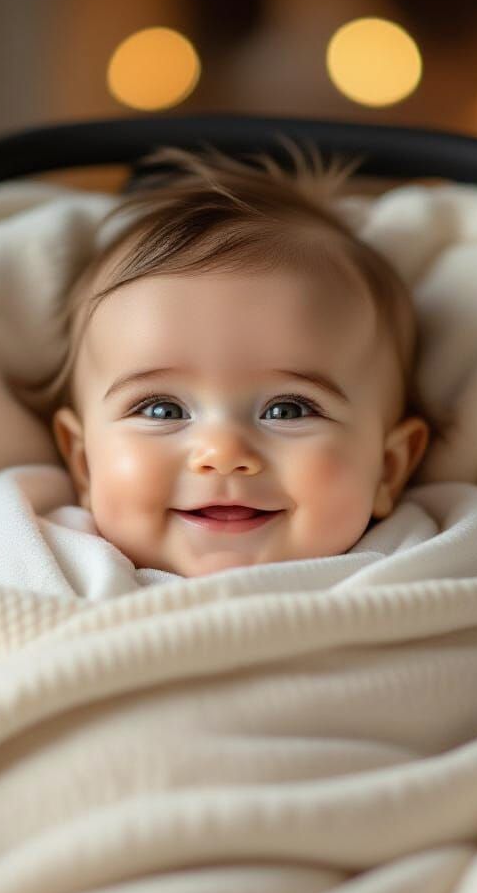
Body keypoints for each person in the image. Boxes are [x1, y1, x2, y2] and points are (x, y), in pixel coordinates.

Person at [41, 143, 430, 579]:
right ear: (83, 465)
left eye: (288, 409)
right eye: (162, 409)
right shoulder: (42, 568)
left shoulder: (426, 578)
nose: (222, 452)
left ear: (388, 468)